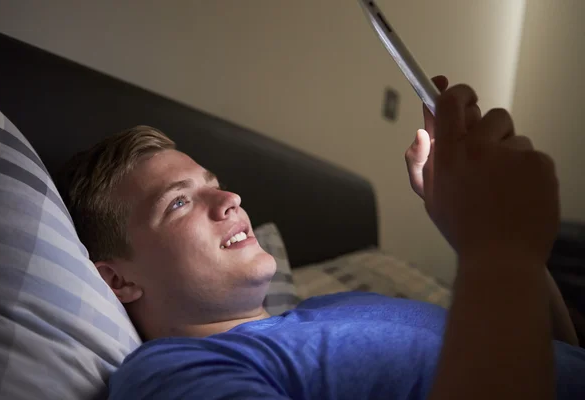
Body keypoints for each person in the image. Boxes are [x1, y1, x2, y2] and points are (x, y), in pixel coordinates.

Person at [56, 78, 585, 400]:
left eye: (214, 187)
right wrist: (498, 255)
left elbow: (556, 352)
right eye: (178, 202)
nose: (230, 200)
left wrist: (490, 245)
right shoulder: (171, 375)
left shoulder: (341, 305)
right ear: (117, 279)